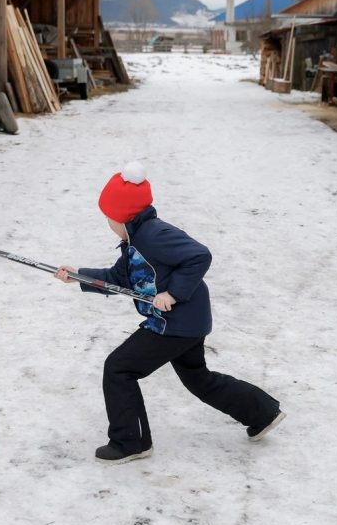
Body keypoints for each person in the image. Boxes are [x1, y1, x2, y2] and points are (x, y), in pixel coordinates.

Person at [55, 161, 285, 464]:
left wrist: (172, 293)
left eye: (109, 218)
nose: (108, 224)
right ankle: (262, 413)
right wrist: (79, 275)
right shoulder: (134, 241)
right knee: (198, 378)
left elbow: (199, 255)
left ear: (124, 216)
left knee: (119, 368)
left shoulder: (154, 235)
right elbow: (119, 279)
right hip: (185, 323)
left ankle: (130, 443)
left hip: (174, 323)